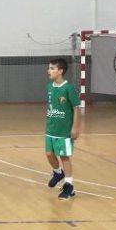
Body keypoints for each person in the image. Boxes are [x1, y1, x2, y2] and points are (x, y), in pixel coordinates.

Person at [44, 58, 81, 200]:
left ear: (60, 71)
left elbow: (76, 108)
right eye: (49, 68)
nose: (49, 70)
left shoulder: (68, 88)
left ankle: (69, 186)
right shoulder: (49, 87)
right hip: (50, 128)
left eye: (52, 68)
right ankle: (57, 172)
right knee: (48, 154)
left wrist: (75, 127)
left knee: (64, 157)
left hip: (64, 131)